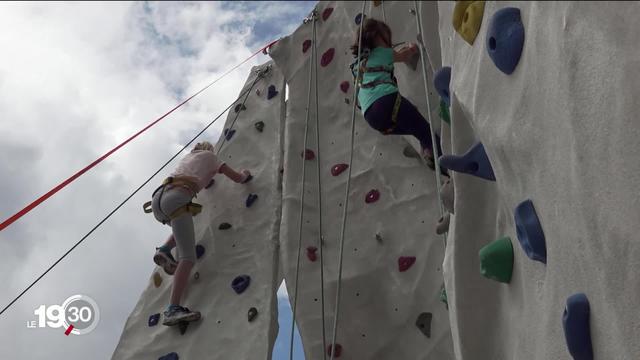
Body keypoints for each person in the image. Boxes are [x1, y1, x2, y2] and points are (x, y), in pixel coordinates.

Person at [148, 141, 252, 326]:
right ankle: (172, 309)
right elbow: (236, 178)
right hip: (178, 197)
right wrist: (245, 175)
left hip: (158, 200)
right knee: (187, 257)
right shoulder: (211, 158)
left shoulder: (187, 158)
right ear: (209, 150)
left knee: (181, 225)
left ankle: (164, 250)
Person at [350, 18, 446, 173]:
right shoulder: (382, 52)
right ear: (375, 37)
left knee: (414, 127)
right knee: (423, 129)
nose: (389, 41)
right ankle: (447, 164)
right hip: (386, 100)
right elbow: (403, 55)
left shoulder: (357, 66)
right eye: (386, 37)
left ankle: (429, 153)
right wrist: (412, 48)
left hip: (372, 117)